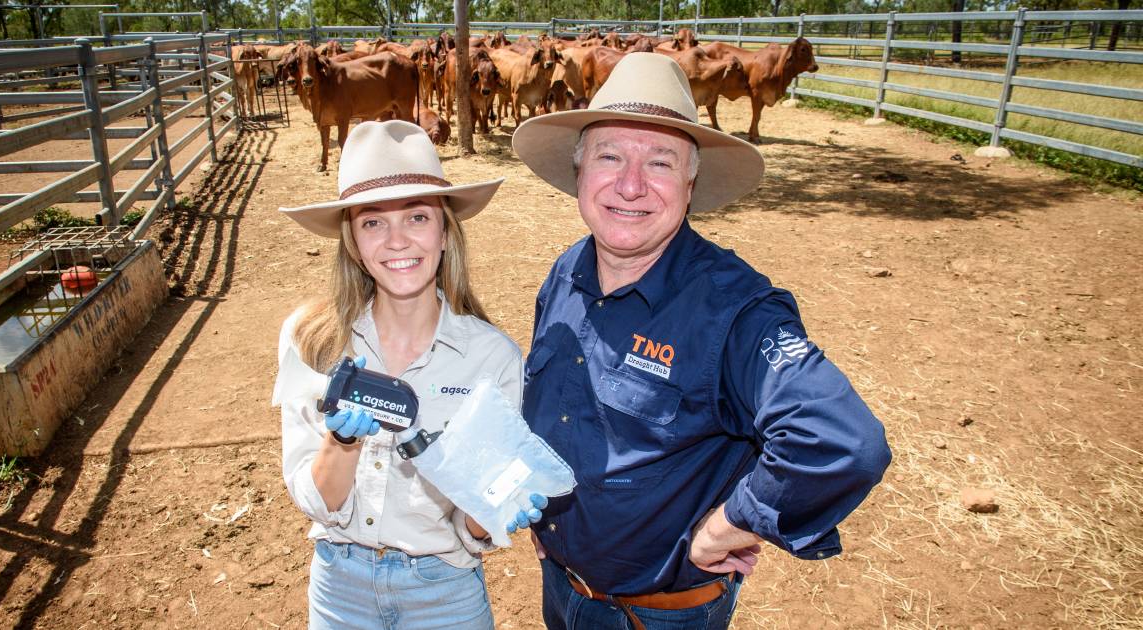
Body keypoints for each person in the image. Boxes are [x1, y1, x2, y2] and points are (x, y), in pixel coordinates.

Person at [509, 53, 893, 629]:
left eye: (659, 162)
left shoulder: (734, 310)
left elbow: (842, 443)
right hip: (561, 588)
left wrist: (731, 523)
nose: (631, 184)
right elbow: (552, 414)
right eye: (610, 156)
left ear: (690, 182)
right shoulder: (567, 271)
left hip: (657, 615)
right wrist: (544, 520)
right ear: (580, 171)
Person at [275, 120, 546, 629]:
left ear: (445, 233)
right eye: (373, 223)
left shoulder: (493, 360)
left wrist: (489, 510)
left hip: (444, 591)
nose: (397, 241)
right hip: (340, 589)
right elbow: (317, 503)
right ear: (353, 243)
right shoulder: (311, 340)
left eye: (417, 217)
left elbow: (476, 526)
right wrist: (340, 443)